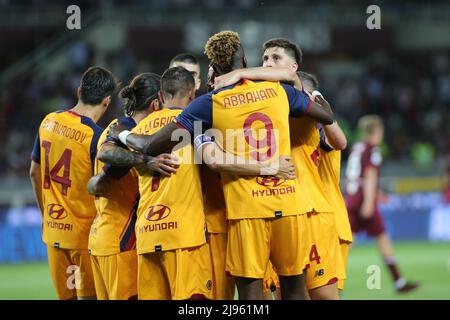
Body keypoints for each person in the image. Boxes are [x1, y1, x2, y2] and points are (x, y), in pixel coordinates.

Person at [108, 31, 334, 300]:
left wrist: (119, 134)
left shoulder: (207, 105)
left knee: (251, 294)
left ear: (214, 71)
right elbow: (327, 116)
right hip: (289, 203)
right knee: (295, 289)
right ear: (246, 61)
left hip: (246, 210)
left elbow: (150, 146)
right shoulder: (280, 91)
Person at [212, 39, 343, 300]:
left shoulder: (298, 93)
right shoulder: (263, 98)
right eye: (265, 59)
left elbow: (339, 141)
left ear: (293, 66)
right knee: (277, 291)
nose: (268, 64)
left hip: (308, 209)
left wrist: (239, 72)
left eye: (275, 58)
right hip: (269, 205)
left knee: (318, 294)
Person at [29, 66, 117, 300]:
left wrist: (46, 215)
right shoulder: (96, 137)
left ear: (79, 91)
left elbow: (33, 173)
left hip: (53, 234)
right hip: (83, 237)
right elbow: (103, 187)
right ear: (107, 101)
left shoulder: (48, 121)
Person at [87, 73, 175, 300]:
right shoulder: (124, 128)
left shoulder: (121, 129)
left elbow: (95, 184)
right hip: (121, 240)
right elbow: (105, 154)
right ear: (157, 103)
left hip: (105, 237)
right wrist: (146, 161)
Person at [346, 115, 420, 293]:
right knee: (381, 238)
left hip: (353, 198)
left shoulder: (358, 147)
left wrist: (377, 194)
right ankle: (398, 281)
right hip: (364, 201)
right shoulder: (373, 149)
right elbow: (370, 175)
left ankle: (330, 282)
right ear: (377, 131)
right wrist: (370, 202)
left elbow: (359, 176)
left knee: (348, 244)